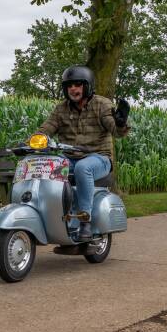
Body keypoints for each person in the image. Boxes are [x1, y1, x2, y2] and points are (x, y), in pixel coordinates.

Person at [36, 65, 130, 240]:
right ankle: (52, 217)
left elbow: (116, 131)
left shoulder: (102, 104)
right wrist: (34, 140)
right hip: (69, 158)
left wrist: (120, 123)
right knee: (45, 166)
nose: (73, 89)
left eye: (78, 84)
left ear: (87, 86)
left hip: (99, 158)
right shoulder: (61, 109)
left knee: (83, 167)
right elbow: (47, 128)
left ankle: (84, 220)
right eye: (69, 85)